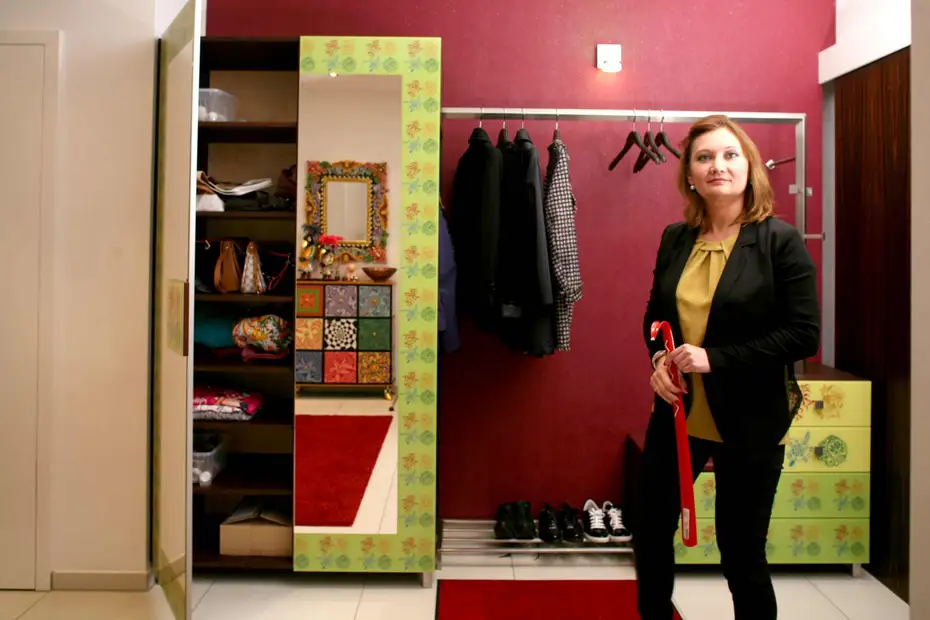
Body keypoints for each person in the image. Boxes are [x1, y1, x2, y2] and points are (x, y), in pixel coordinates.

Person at [632, 114, 820, 620]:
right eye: (705, 157)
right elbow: (656, 317)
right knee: (649, 534)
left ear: (749, 167)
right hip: (678, 415)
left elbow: (803, 335)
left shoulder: (780, 241)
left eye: (730, 155)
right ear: (690, 174)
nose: (718, 165)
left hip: (751, 419)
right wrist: (659, 359)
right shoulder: (676, 238)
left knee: (741, 555)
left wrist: (713, 359)